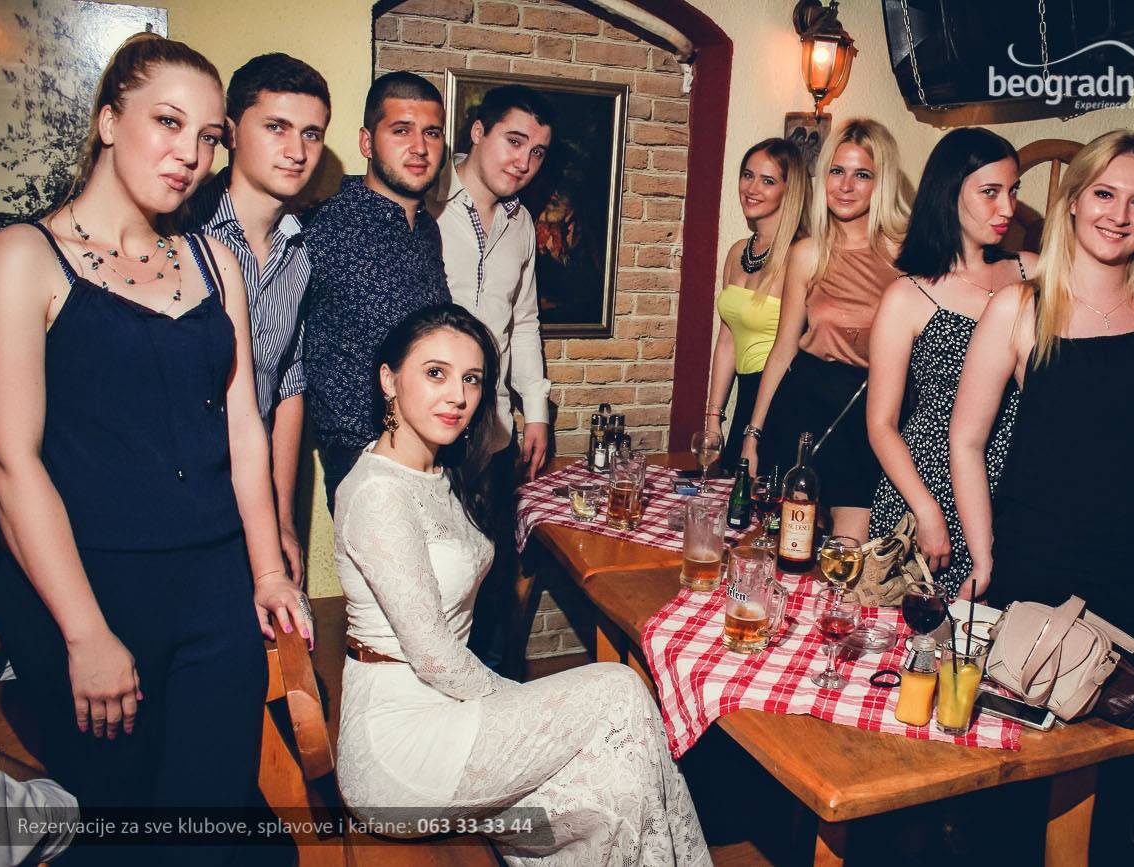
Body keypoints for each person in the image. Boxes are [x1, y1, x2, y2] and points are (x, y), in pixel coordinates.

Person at [0, 32, 305, 863]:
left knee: (208, 825)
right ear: (107, 121)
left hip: (214, 585)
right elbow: (11, 464)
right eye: (168, 122)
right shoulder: (23, 256)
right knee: (122, 830)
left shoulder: (214, 261)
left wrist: (268, 570)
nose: (190, 155)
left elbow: (244, 427)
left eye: (208, 136)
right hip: (87, 586)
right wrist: (85, 634)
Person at [334, 304, 710, 865]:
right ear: (389, 380)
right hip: (400, 750)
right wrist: (526, 703)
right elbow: (435, 657)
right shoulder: (378, 494)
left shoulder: (438, 471)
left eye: (471, 379)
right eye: (435, 373)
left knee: (619, 787)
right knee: (619, 689)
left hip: (450, 713)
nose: (457, 396)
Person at [950, 129, 1134, 685]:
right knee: (1032, 729)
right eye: (1104, 194)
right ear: (1073, 201)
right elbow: (966, 441)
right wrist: (984, 556)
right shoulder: (1020, 308)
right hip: (1046, 566)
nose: (1119, 216)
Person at [866, 128, 1036, 598]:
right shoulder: (909, 295)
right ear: (949, 192)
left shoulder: (1032, 272)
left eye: (1013, 191)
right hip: (931, 482)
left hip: (1016, 479)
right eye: (990, 192)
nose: (1008, 208)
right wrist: (926, 510)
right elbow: (881, 424)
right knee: (924, 631)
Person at [189, 53, 331, 585]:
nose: (297, 151)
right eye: (276, 127)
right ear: (230, 132)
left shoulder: (301, 251)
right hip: (185, 494)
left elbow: (287, 384)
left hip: (256, 497)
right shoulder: (183, 233)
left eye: (312, 134)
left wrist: (282, 518)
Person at [427, 86, 554, 670]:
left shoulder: (521, 223)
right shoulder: (426, 203)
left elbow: (523, 321)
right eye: (514, 141)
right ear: (477, 131)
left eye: (537, 152)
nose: (523, 163)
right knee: (433, 589)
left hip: (494, 432)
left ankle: (493, 698)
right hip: (430, 434)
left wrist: (536, 412)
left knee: (490, 585)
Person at [742, 118, 911, 541]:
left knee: (849, 555)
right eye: (837, 171)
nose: (846, 186)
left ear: (882, 182)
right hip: (802, 406)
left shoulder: (907, 257)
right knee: (788, 550)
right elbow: (783, 349)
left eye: (862, 175)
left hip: (868, 414)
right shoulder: (808, 253)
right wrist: (753, 435)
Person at [305, 71, 451, 508]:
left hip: (432, 456)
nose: (420, 147)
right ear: (367, 143)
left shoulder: (427, 229)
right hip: (363, 462)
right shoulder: (325, 228)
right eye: (401, 131)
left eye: (432, 133)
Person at [704, 138, 809, 465]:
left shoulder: (800, 255)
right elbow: (726, 341)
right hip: (748, 397)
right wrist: (713, 419)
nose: (752, 188)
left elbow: (788, 347)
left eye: (768, 181)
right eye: (748, 175)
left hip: (783, 401)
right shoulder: (738, 252)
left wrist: (754, 430)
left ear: (789, 191)